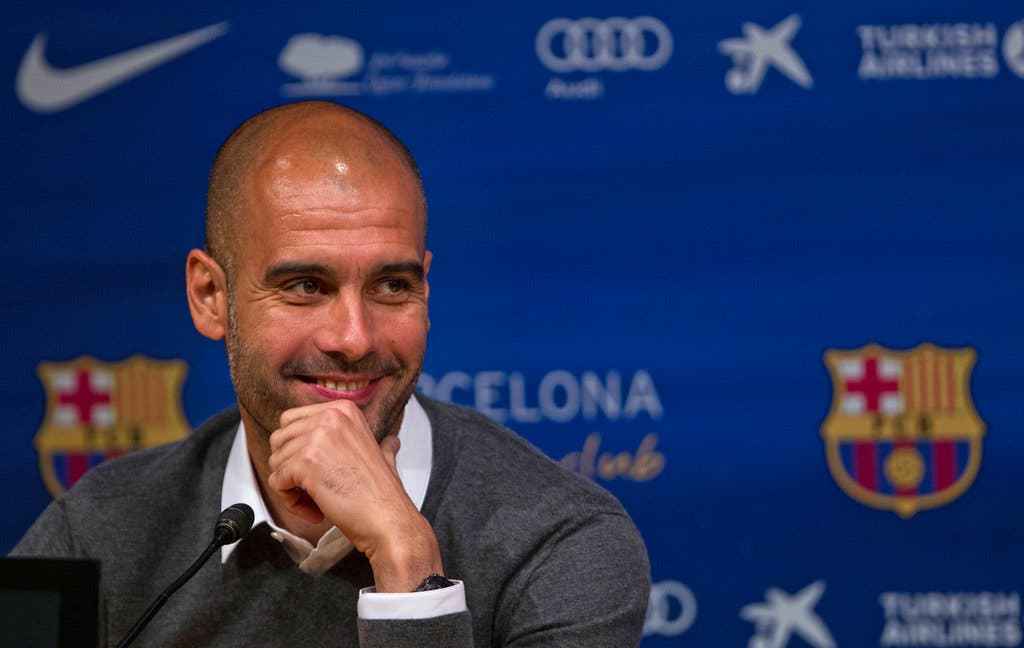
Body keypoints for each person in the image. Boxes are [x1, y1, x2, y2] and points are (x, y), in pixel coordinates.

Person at [12, 101, 650, 647]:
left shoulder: (559, 541)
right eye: (305, 286)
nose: (354, 338)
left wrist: (406, 560)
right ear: (210, 296)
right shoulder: (100, 531)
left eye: (392, 285)